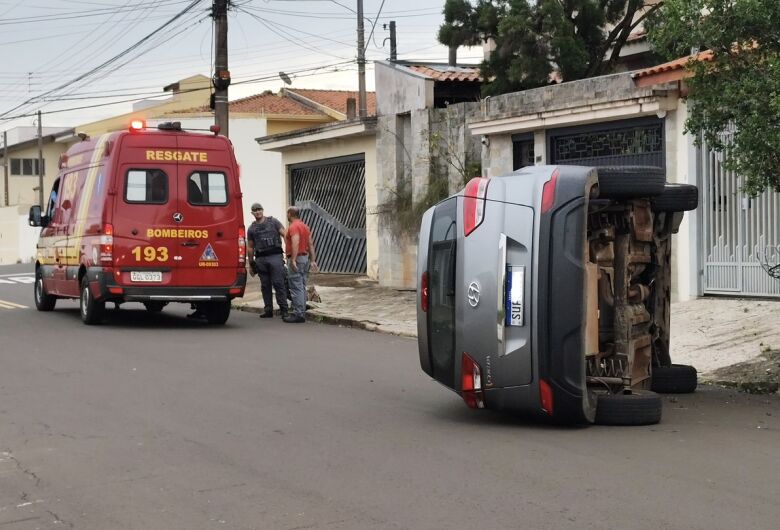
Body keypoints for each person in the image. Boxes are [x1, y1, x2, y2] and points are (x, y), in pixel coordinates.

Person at [246, 203, 289, 319]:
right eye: (255, 210)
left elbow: (285, 234)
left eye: (259, 209)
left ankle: (284, 310)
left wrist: (289, 251)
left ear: (263, 210)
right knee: (265, 285)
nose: (257, 212)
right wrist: (251, 264)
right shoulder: (251, 228)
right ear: (252, 213)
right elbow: (250, 247)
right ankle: (268, 309)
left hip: (275, 256)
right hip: (261, 259)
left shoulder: (273, 222)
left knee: (278, 283)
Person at [283, 206, 318, 323]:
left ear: (290, 214)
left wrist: (293, 259)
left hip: (296, 258)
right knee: (301, 285)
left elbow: (295, 242)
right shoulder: (305, 226)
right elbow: (311, 244)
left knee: (295, 286)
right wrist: (313, 260)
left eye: (287, 214)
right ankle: (301, 310)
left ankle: (299, 314)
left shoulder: (294, 227)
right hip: (305, 258)